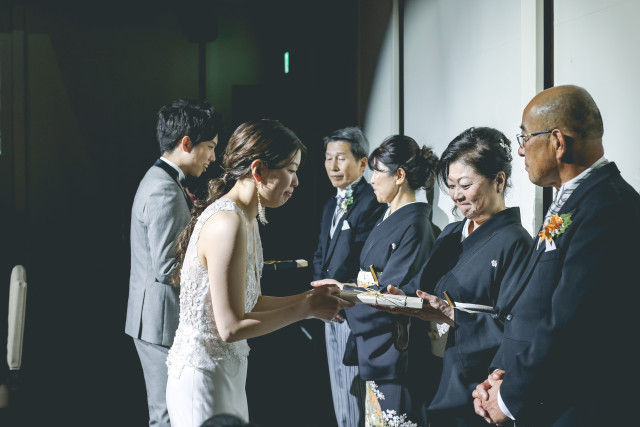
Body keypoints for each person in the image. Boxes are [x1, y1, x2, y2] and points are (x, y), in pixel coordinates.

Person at [165, 119, 352, 427]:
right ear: (258, 170)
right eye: (291, 170)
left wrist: (311, 297)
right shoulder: (228, 223)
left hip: (227, 371)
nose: (296, 182)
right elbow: (230, 327)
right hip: (204, 376)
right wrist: (306, 309)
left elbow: (249, 302)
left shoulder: (248, 217)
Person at [472, 85, 640, 426]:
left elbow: (570, 323)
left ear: (557, 142)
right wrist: (502, 375)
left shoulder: (608, 206)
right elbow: (531, 307)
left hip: (576, 408)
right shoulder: (572, 200)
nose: (520, 152)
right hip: (537, 395)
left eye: (524, 138)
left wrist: (508, 398)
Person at [382, 127, 532, 426]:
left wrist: (453, 316)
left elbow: (521, 329)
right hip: (433, 370)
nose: (456, 195)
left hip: (473, 382)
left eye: (465, 184)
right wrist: (403, 299)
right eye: (450, 185)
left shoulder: (516, 242)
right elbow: (425, 288)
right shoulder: (452, 233)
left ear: (499, 180)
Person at [314, 135, 439, 427]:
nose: (371, 180)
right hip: (377, 345)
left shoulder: (416, 225)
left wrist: (345, 294)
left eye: (377, 171)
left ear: (399, 175)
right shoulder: (388, 215)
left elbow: (395, 296)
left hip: (395, 348)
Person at [125, 99, 221, 427]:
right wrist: (217, 268)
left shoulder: (165, 181)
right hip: (158, 321)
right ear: (186, 144)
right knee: (166, 416)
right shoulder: (163, 189)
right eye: (209, 147)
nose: (213, 157)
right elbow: (167, 268)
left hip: (157, 318)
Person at [313, 126, 386, 427]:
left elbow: (365, 259)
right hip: (327, 305)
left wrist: (343, 296)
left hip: (351, 308)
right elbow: (320, 253)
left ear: (362, 163)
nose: (332, 166)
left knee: (353, 390)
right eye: (328, 158)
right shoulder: (331, 203)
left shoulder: (371, 201)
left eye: (340, 158)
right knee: (338, 389)